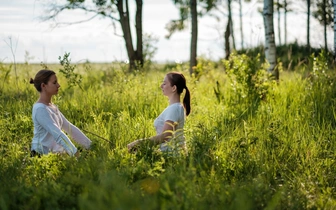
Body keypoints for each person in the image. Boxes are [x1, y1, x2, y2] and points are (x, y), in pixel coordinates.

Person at [30, 69, 92, 157]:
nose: (58, 85)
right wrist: (75, 153)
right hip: (40, 155)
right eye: (54, 83)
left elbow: (69, 128)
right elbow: (57, 133)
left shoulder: (52, 107)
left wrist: (90, 146)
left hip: (54, 154)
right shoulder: (40, 109)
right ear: (43, 86)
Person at [127, 71, 191, 154]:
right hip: (170, 153)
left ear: (173, 88)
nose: (161, 86)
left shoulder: (174, 108)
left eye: (164, 83)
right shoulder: (176, 107)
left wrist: (139, 143)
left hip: (172, 156)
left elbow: (166, 136)